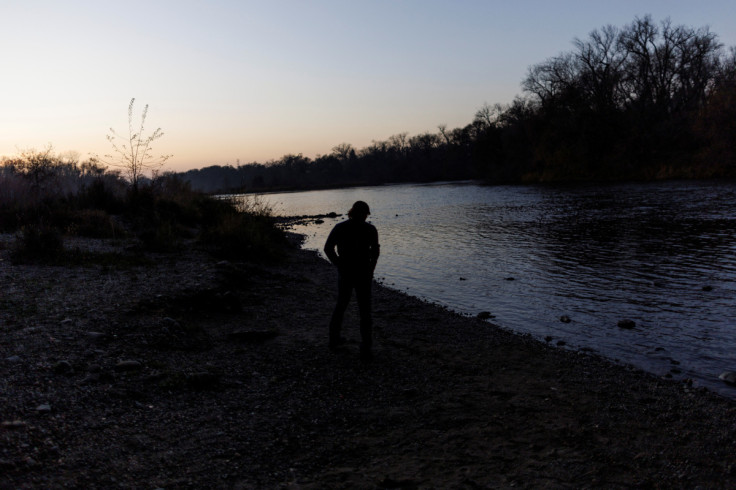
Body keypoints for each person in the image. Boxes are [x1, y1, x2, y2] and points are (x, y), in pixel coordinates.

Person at [324, 201, 380, 360]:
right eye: (364, 214)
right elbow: (375, 252)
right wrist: (370, 269)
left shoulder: (341, 227)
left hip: (349, 272)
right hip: (360, 273)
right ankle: (365, 346)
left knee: (343, 306)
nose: (364, 216)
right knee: (363, 309)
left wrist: (338, 264)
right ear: (363, 213)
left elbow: (328, 248)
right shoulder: (370, 229)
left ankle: (335, 340)